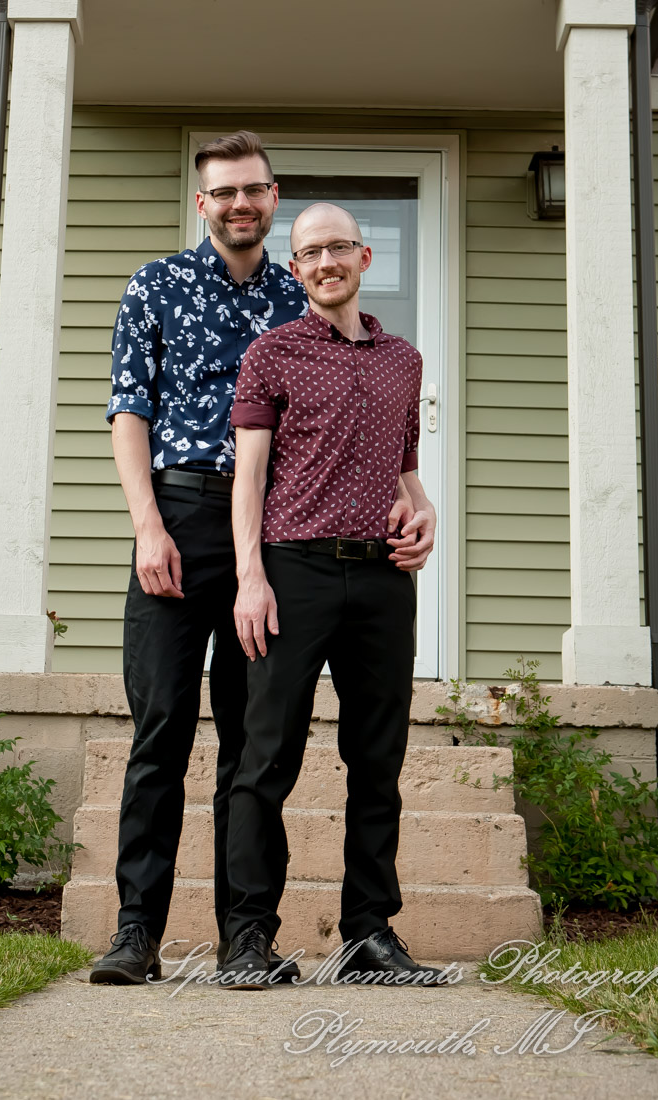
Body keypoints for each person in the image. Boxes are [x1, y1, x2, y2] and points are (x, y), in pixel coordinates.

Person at [88, 131, 308, 984]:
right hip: (176, 518)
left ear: (273, 196)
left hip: (272, 537)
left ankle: (246, 938)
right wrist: (147, 524)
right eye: (224, 192)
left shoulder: (299, 303)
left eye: (252, 190)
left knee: (256, 748)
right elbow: (127, 410)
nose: (240, 204)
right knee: (160, 736)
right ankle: (135, 932)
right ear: (202, 202)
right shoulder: (155, 285)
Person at [220, 201, 441, 987]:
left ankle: (367, 936)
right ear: (296, 269)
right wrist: (250, 577)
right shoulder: (271, 355)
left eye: (336, 248)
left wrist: (424, 510)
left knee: (376, 760)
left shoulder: (403, 360)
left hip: (383, 580)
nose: (323, 263)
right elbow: (248, 478)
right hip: (293, 572)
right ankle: (247, 938)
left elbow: (402, 465)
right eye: (308, 253)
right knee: (264, 759)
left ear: (364, 257)